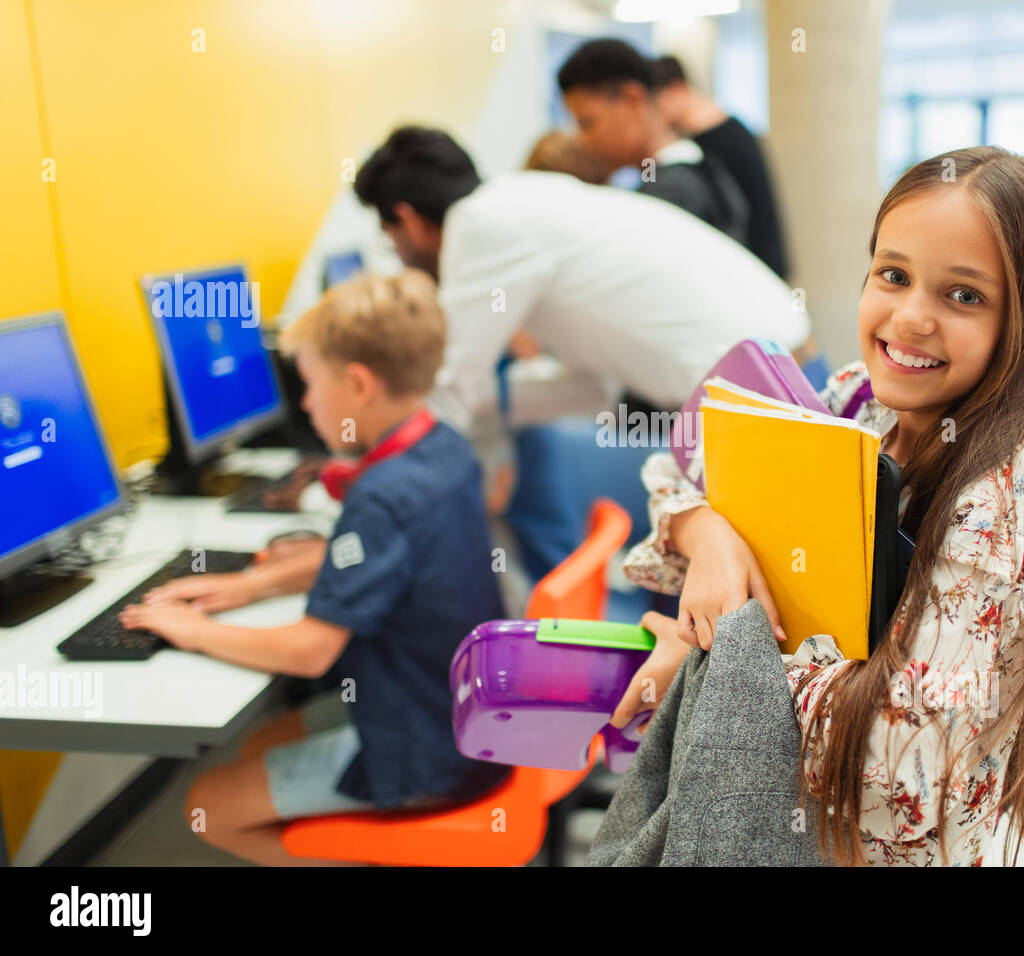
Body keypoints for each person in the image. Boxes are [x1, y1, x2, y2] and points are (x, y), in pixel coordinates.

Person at [613, 146, 1024, 867]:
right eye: (893, 274)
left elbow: (898, 773)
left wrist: (720, 652)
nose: (910, 318)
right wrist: (710, 534)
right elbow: (675, 464)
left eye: (964, 295)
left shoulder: (994, 498)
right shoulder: (854, 399)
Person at [120, 271, 509, 865]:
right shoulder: (443, 446)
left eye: (308, 385)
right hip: (466, 722)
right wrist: (251, 584)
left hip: (424, 751)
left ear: (357, 384)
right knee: (263, 740)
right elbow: (381, 562)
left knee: (208, 802)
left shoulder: (378, 496)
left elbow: (310, 652)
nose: (302, 404)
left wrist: (192, 630)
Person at [351, 125, 814, 435]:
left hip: (760, 392)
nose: (395, 249)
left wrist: (367, 448)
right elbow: (593, 387)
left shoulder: (478, 224)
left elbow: (451, 390)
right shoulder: (520, 197)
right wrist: (498, 403)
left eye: (388, 233)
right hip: (783, 365)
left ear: (407, 220)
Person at [557, 38, 750, 248]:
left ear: (632, 100)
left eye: (586, 123)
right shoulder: (694, 166)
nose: (583, 140)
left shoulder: (669, 190)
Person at [651, 54, 791, 280]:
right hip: (762, 261)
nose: (656, 116)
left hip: (755, 265)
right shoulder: (728, 126)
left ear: (677, 89)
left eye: (656, 104)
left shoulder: (711, 141)